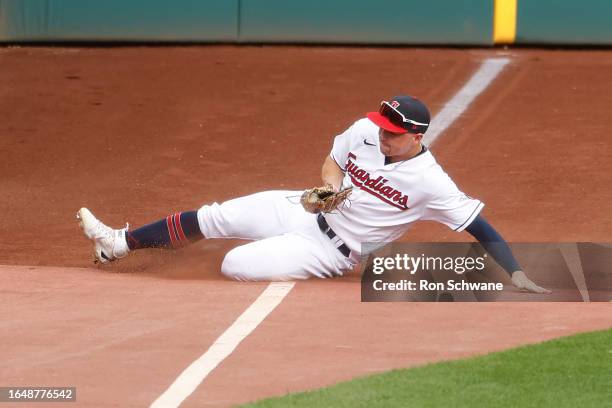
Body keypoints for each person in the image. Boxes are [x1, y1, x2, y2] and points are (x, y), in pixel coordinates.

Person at [77, 95, 549, 293]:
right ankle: (116, 244)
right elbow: (334, 162)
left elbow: (479, 226)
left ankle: (280, 263)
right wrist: (329, 186)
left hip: (329, 250)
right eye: (382, 129)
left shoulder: (432, 184)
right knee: (215, 217)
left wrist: (517, 272)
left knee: (233, 264)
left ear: (416, 136)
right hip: (301, 208)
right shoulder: (366, 131)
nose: (381, 136)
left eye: (391, 133)